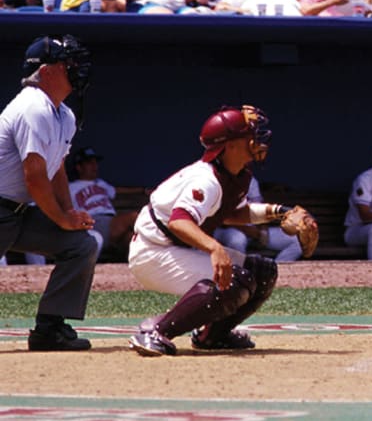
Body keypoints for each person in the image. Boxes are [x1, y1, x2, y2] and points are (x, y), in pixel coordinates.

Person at [127, 105, 309, 356]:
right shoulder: (206, 179)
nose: (256, 140)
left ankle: (212, 335)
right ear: (230, 145)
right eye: (248, 135)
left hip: (173, 248)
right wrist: (215, 248)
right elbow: (179, 222)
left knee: (263, 271)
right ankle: (156, 331)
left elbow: (234, 214)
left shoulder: (237, 174)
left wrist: (281, 212)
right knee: (235, 279)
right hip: (153, 253)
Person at [0, 36, 97, 351]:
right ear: (47, 71)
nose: (76, 69)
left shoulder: (63, 114)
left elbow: (56, 170)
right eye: (67, 62)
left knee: (80, 244)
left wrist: (68, 215)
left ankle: (50, 328)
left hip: (17, 213)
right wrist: (59, 217)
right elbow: (35, 177)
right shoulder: (32, 106)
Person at [68, 147, 139, 262]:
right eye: (90, 163)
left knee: (130, 239)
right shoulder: (70, 187)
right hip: (93, 223)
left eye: (95, 163)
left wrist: (143, 191)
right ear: (79, 167)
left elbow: (119, 190)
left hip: (111, 222)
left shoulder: (101, 184)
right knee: (134, 217)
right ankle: (170, 237)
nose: (94, 166)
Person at [213, 177, 303, 262]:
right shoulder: (220, 179)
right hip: (228, 230)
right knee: (237, 240)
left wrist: (263, 229)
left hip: (254, 231)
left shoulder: (251, 180)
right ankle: (239, 273)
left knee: (296, 240)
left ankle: (276, 270)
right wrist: (254, 233)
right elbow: (222, 218)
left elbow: (260, 206)